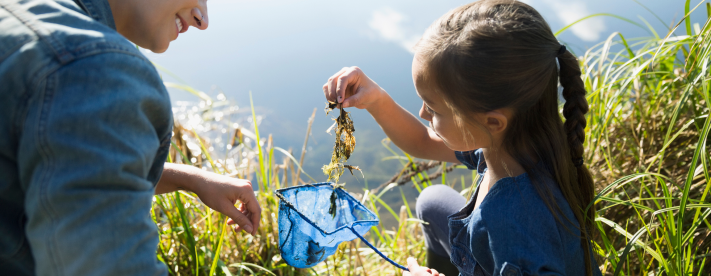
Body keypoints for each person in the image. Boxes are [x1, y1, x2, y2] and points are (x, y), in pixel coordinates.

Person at [322, 0, 603, 275]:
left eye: (432, 108)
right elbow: (422, 141)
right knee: (432, 201)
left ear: (492, 121)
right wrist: (376, 99)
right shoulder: (514, 145)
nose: (422, 113)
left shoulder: (511, 225)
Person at [0, 0, 261, 275]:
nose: (203, 19)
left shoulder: (28, 14)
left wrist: (190, 179)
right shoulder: (90, 69)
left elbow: (67, 168)